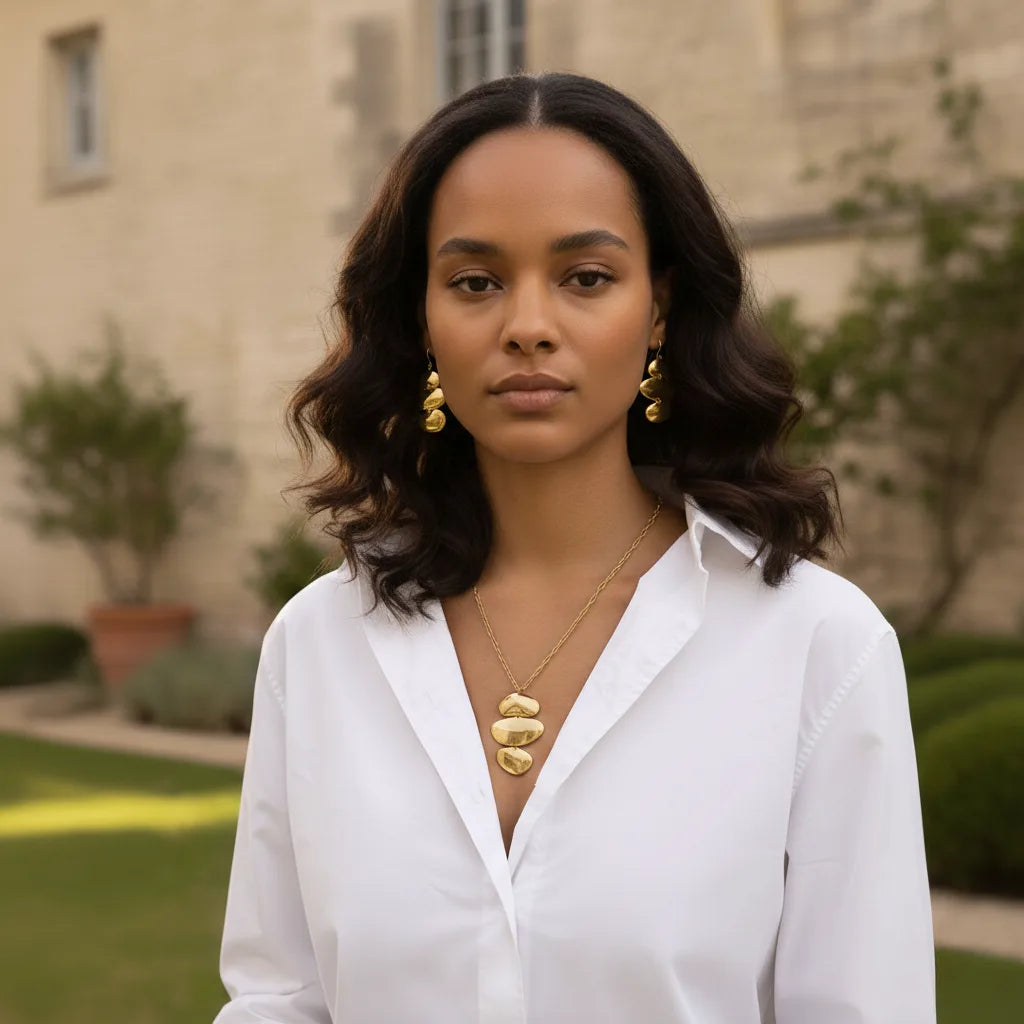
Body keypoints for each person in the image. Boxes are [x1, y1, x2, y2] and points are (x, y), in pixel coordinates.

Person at [212, 72, 935, 1024]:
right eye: (475, 281)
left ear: (660, 310)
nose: (528, 327)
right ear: (421, 318)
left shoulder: (817, 647)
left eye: (585, 277)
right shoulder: (319, 644)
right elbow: (281, 1000)